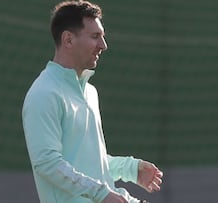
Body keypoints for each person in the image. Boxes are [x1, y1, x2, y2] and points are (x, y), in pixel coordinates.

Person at [22, 1, 163, 203]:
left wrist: (129, 169)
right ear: (68, 40)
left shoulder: (89, 92)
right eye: (95, 36)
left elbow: (88, 165)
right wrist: (102, 194)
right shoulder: (44, 94)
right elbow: (47, 164)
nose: (103, 45)